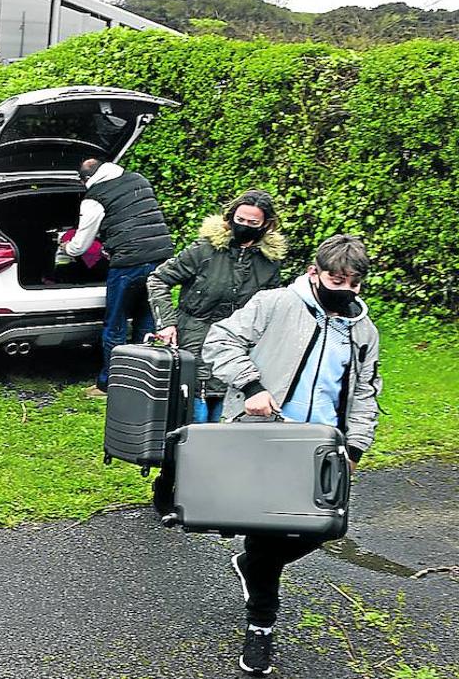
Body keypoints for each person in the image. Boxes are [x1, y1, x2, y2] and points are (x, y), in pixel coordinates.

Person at [203, 234, 381, 676]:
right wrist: (251, 387)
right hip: (264, 440)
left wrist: (355, 445)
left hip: (322, 450)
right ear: (314, 273)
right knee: (268, 534)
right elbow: (219, 341)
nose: (345, 289)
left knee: (323, 529)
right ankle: (261, 626)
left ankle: (249, 566)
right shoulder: (275, 304)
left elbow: (365, 391)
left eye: (354, 283)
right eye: (337, 279)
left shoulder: (363, 331)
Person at [146, 190, 287, 423]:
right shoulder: (204, 250)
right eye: (240, 220)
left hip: (237, 345)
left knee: (226, 411)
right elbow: (158, 279)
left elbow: (269, 308)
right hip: (193, 337)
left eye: (253, 223)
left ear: (266, 225)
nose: (244, 226)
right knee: (193, 412)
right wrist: (167, 323)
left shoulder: (268, 263)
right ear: (230, 218)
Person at [61, 157, 174, 397]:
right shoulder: (138, 179)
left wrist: (65, 248)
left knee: (116, 325)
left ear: (85, 179)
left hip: (128, 264)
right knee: (146, 321)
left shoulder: (94, 197)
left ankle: (109, 385)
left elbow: (80, 246)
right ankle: (141, 380)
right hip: (161, 259)